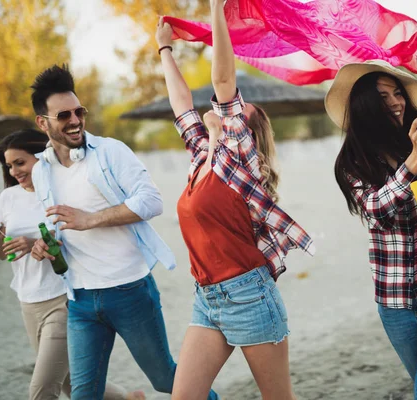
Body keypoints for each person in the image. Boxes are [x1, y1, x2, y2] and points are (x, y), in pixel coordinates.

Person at [27, 65, 216, 400]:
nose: (74, 120)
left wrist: (91, 219)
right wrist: (47, 243)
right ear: (43, 122)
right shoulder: (42, 170)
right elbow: (60, 224)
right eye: (63, 115)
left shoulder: (110, 151)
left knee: (166, 379)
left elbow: (151, 201)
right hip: (80, 300)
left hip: (129, 291)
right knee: (84, 395)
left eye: (78, 111)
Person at [156, 1, 315, 398]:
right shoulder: (200, 158)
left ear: (244, 128)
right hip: (207, 298)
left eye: (237, 112)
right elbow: (180, 104)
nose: (223, 110)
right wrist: (164, 49)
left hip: (249, 295)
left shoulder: (238, 156)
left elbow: (223, 80)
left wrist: (217, 9)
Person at [326, 59, 417, 399]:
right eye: (383, 97)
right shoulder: (353, 164)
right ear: (364, 106)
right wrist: (413, 162)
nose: (395, 102)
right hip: (394, 302)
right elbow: (376, 210)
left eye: (397, 94)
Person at [0, 129, 144, 400]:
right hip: (28, 302)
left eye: (20, 163)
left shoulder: (63, 192)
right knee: (70, 382)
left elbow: (79, 241)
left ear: (41, 156)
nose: (13, 172)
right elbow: (2, 254)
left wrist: (34, 240)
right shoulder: (8, 197)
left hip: (64, 300)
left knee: (42, 389)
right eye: (9, 166)